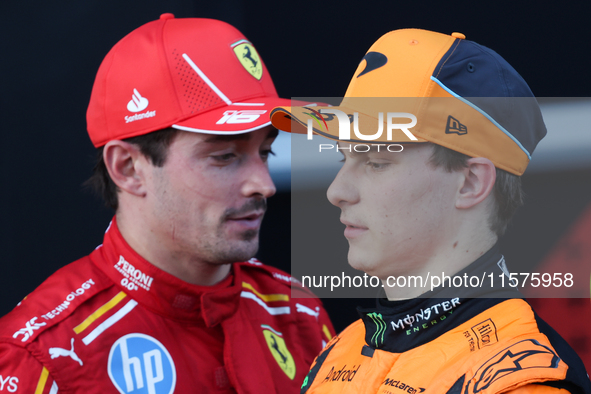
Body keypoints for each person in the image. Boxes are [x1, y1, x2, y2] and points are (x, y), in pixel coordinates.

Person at [0, 14, 334, 393]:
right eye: (225, 156)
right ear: (128, 169)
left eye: (265, 152)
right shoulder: (44, 357)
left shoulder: (296, 312)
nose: (265, 184)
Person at [270, 29, 591, 393]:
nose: (336, 191)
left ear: (470, 182)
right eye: (344, 158)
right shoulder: (337, 353)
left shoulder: (519, 382)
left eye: (375, 162)